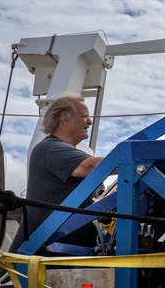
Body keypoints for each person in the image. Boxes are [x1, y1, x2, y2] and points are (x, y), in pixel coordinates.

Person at [12, 94, 105, 252]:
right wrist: (137, 160)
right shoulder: (49, 148)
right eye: (84, 116)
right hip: (40, 257)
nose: (89, 121)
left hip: (68, 255)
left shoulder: (64, 153)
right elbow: (91, 167)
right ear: (64, 118)